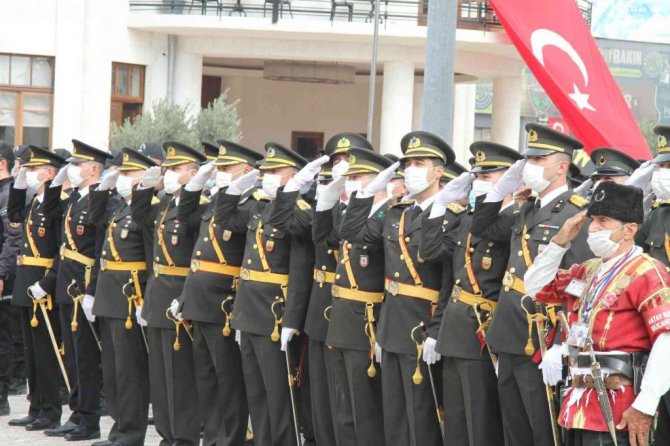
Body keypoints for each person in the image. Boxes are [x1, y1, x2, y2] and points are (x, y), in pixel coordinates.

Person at [470, 124, 592, 446]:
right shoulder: (527, 208)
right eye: (529, 160)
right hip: (510, 331)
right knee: (514, 430)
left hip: (542, 335)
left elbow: (578, 283)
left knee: (542, 429)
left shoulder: (575, 213)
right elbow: (481, 229)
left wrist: (562, 342)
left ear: (562, 167)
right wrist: (497, 192)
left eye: (539, 160)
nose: (530, 167)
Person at [525, 181, 670, 446]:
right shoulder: (588, 269)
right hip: (578, 401)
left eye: (603, 221)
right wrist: (559, 242)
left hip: (620, 403)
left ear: (629, 230)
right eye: (592, 220)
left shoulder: (648, 271)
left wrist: (646, 404)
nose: (593, 228)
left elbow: (666, 340)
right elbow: (535, 286)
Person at [340, 131, 460, 446]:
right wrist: (367, 193)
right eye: (408, 164)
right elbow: (351, 232)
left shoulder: (449, 216)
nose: (411, 170)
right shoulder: (398, 213)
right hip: (391, 326)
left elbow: (448, 280)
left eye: (419, 163)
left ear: (438, 172)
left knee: (421, 417)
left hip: (422, 326)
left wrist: (436, 330)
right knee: (394, 415)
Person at [420, 141, 524, 446]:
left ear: (508, 180)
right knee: (455, 419)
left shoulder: (515, 219)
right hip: (455, 330)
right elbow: (434, 256)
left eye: (487, 176)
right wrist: (439, 206)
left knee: (481, 420)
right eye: (477, 176)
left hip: (485, 332)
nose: (480, 182)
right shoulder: (466, 218)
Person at [217, 142, 317, 446]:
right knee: (257, 394)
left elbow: (300, 271)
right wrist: (235, 188)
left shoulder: (300, 213)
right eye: (266, 171)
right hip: (248, 312)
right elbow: (225, 218)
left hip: (276, 315)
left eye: (275, 171)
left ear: (294, 176)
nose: (267, 177)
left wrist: (292, 320)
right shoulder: (258, 206)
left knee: (279, 396)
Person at [176, 140, 263, 446]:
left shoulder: (252, 205)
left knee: (228, 382)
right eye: (219, 167)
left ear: (247, 171)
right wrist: (195, 184)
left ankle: (230, 440)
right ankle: (213, 438)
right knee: (207, 379)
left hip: (224, 303)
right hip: (199, 302)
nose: (220, 172)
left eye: (227, 167)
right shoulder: (215, 202)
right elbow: (185, 216)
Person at [30, 140, 113, 441]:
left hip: (82, 284)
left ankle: (89, 419)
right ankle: (77, 412)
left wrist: (92, 290)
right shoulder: (75, 198)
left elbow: (100, 249)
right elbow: (49, 211)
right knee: (71, 355)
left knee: (85, 357)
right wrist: (56, 183)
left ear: (94, 169)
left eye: (78, 165)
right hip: (66, 282)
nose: (73, 169)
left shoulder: (101, 200)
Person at [315, 147, 394, 446]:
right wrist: (326, 201)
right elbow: (322, 236)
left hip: (368, 320)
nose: (351, 182)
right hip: (342, 317)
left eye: (359, 176)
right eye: (350, 176)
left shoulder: (389, 214)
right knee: (344, 406)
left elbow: (356, 234)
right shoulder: (351, 213)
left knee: (365, 407)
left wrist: (364, 199)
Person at [133, 142, 206, 446]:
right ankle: (167, 435)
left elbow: (198, 257)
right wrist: (144, 188)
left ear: (194, 173)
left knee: (180, 376)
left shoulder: (198, 207)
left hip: (179, 295)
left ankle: (185, 438)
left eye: (177, 169)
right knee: (160, 376)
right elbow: (139, 217)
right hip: (158, 294)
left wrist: (186, 298)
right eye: (169, 169)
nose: (170, 174)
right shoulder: (163, 204)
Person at [88, 148, 158, 446]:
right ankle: (118, 429)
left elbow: (154, 259)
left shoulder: (148, 210)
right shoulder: (119, 208)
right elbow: (94, 218)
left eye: (129, 173)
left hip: (132, 296)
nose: (122, 178)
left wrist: (148, 300)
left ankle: (130, 435)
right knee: (113, 371)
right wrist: (102, 187)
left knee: (130, 372)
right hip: (110, 295)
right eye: (121, 173)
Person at [6, 147, 67, 429]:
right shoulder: (34, 202)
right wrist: (18, 185)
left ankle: (50, 411)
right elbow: (14, 215)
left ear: (50, 172)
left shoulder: (57, 205)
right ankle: (36, 407)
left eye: (34, 169)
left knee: (45, 352)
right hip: (26, 280)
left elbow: (60, 250)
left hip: (43, 283)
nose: (29, 173)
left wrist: (47, 283)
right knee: (31, 352)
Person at [636, 125, 670, 445]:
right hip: (659, 337)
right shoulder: (658, 214)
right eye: (660, 165)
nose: (662, 173)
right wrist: (631, 195)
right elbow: (622, 246)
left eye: (668, 166)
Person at [0, 141, 21, 415]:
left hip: (4, 276)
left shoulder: (9, 194)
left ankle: (1, 396)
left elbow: (12, 238)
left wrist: (1, 272)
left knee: (2, 336)